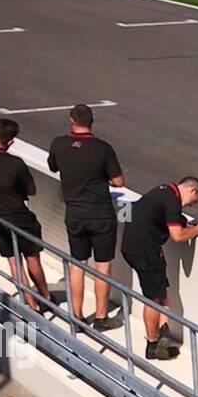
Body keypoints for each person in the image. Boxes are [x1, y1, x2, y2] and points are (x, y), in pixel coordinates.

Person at [47, 104, 125, 330]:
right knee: (102, 265)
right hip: (100, 212)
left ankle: (77, 316)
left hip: (75, 212)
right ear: (93, 121)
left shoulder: (59, 144)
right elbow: (118, 181)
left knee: (77, 264)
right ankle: (101, 316)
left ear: (71, 120)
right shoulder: (103, 148)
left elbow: (53, 166)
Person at [120, 177, 198, 360]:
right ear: (193, 191)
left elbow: (161, 215)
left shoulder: (163, 191)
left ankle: (162, 336)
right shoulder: (172, 201)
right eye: (194, 201)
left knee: (161, 292)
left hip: (133, 247)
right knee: (153, 298)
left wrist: (185, 222)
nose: (191, 205)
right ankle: (152, 345)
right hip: (145, 252)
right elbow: (177, 236)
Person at [0, 118, 51, 313]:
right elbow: (31, 190)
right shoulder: (15, 164)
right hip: (18, 218)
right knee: (32, 257)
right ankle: (45, 297)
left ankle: (30, 306)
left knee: (13, 261)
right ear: (11, 142)